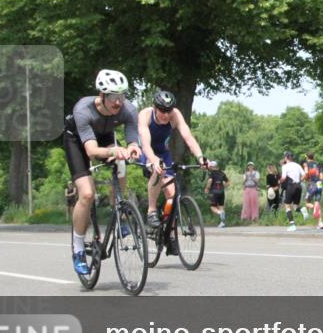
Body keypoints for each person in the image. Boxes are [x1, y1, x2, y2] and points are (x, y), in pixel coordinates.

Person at [62, 69, 142, 275]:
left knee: (122, 164)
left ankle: (120, 211)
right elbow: (91, 151)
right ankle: (78, 248)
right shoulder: (83, 110)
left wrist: (133, 147)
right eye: (114, 97)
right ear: (102, 95)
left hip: (105, 135)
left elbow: (133, 137)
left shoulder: (128, 110)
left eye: (122, 96)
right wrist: (113, 150)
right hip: (78, 142)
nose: (118, 102)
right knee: (87, 194)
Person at [137, 90, 207, 250]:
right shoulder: (145, 115)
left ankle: (170, 235)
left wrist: (201, 157)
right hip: (147, 152)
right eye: (162, 110)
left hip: (164, 152)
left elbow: (188, 137)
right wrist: (153, 160)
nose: (166, 115)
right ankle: (152, 210)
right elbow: (146, 144)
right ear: (155, 107)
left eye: (169, 111)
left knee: (173, 194)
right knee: (158, 170)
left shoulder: (175, 115)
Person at [280, 151, 305, 232]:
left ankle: (292, 225)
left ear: (286, 158)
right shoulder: (297, 165)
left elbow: (283, 178)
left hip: (291, 187)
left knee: (287, 205)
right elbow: (304, 175)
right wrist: (299, 180)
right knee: (295, 207)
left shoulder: (285, 166)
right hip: (299, 186)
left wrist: (278, 181)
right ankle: (302, 209)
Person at [302, 152, 323, 230]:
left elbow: (306, 174)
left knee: (306, 202)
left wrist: (303, 179)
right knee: (317, 203)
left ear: (307, 157)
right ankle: (320, 223)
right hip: (319, 184)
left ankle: (314, 207)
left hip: (312, 184)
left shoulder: (306, 164)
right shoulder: (318, 164)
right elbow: (322, 177)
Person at [203, 163, 229, 228]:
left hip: (214, 192)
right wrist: (223, 187)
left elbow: (210, 180)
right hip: (222, 192)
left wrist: (207, 188)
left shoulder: (212, 173)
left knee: (212, 207)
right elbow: (228, 182)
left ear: (212, 167)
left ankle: (220, 213)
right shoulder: (222, 173)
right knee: (221, 207)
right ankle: (222, 223)